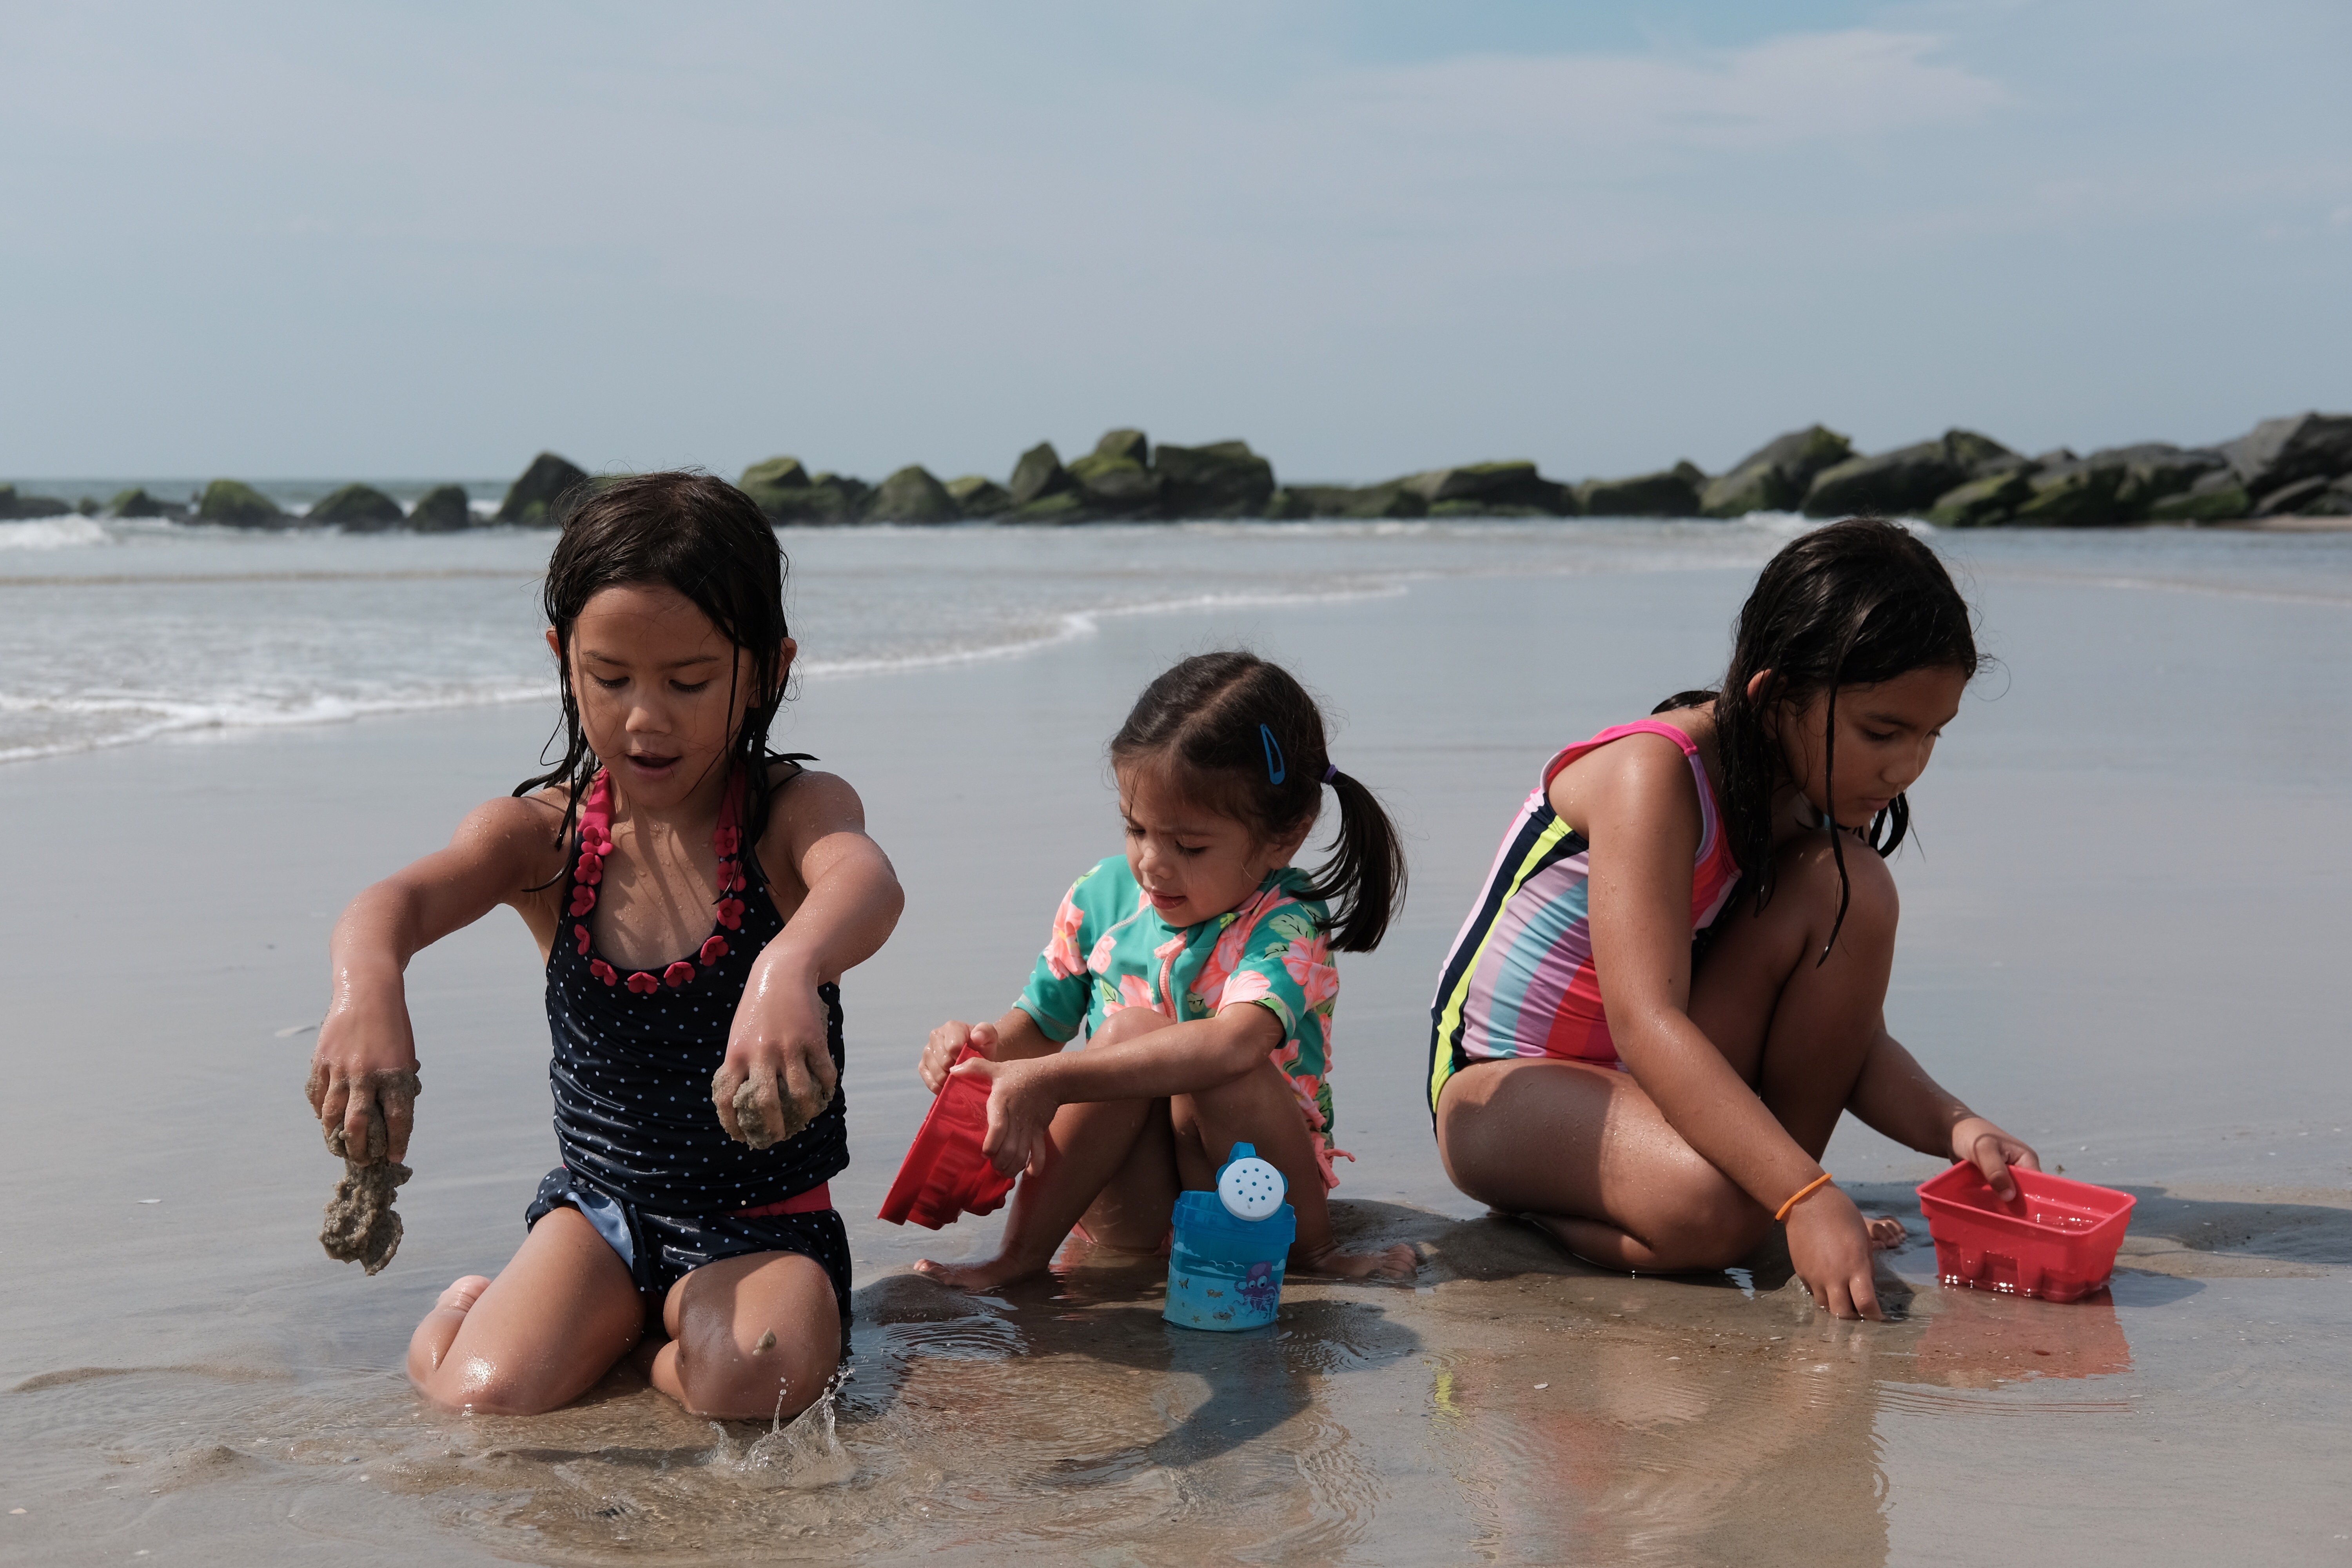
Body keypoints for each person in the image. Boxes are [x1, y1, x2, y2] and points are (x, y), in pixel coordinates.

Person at [305, 473, 903, 1418]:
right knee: (481, 1399)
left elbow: (865, 883)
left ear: (770, 670)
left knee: (768, 1378)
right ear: (563, 657)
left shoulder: (791, 814)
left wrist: (790, 961)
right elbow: (390, 904)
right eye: (611, 677)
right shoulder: (543, 840)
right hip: (600, 1220)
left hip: (764, 1230)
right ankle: (472, 1318)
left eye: (690, 681)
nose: (645, 717)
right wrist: (366, 985)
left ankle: (649, 1359)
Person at [1426, 517, 2038, 1321]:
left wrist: (1957, 1127)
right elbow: (1645, 1022)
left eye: (1932, 735)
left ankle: (1768, 1197)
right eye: (1882, 731)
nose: (1906, 765)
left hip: (1652, 1087)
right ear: (1775, 697)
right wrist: (1809, 1196)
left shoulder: (1814, 799)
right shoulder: (1656, 775)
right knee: (1712, 1209)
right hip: (1503, 1090)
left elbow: (1852, 1042)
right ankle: (1742, 1205)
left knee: (1855, 884)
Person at [915, 651, 1418, 1289]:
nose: (1152, 864)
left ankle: (1314, 1256)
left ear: (1284, 836)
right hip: (1131, 1206)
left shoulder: (1285, 921)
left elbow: (1236, 1041)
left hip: (1252, 1198)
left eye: (1189, 846)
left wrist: (1048, 1080)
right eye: (1137, 829)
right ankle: (1017, 1257)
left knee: (1196, 1056)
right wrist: (980, 1047)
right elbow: (1038, 1029)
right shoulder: (1100, 899)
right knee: (1124, 1035)